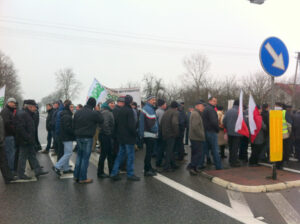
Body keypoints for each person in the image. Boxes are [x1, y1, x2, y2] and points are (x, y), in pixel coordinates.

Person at [15, 100, 49, 180]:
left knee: (32, 155)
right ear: (30, 106)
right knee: (22, 157)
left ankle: (38, 170)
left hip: (29, 140)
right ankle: (21, 174)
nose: (35, 108)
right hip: (25, 141)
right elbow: (20, 128)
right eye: (34, 107)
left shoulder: (27, 114)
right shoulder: (23, 114)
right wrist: (27, 137)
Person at [73, 97, 104, 184]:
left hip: (78, 136)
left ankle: (76, 176)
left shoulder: (78, 112)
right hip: (87, 137)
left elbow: (73, 123)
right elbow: (102, 120)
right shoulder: (93, 113)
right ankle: (83, 178)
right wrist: (97, 110)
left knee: (79, 157)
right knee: (85, 158)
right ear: (94, 105)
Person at [110, 95, 140, 181]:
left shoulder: (120, 110)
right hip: (129, 137)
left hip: (121, 137)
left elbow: (116, 124)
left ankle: (114, 173)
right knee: (130, 156)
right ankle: (130, 174)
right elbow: (131, 126)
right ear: (130, 101)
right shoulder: (129, 111)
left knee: (120, 155)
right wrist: (135, 134)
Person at [53, 100, 75, 176]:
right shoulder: (67, 115)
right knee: (68, 153)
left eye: (73, 107)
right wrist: (74, 132)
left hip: (65, 136)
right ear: (68, 107)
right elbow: (67, 128)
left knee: (66, 153)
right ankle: (57, 166)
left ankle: (66, 169)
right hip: (67, 137)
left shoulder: (66, 114)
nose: (73, 108)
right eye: (71, 107)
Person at [139, 95, 159, 177]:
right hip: (149, 134)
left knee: (149, 153)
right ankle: (147, 170)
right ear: (148, 100)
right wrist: (156, 131)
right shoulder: (148, 109)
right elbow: (151, 124)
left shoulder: (148, 108)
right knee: (149, 153)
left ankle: (149, 167)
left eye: (155, 99)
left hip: (148, 134)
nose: (154, 101)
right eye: (153, 100)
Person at [202, 97, 222, 170]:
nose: (215, 103)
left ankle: (201, 164)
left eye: (216, 101)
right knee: (215, 149)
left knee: (205, 149)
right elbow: (214, 122)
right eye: (214, 101)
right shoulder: (211, 110)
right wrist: (217, 129)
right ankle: (218, 166)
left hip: (206, 131)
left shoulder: (205, 109)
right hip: (211, 131)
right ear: (209, 101)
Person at [97, 99, 115, 178]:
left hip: (105, 135)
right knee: (105, 154)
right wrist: (109, 134)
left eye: (114, 103)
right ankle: (101, 173)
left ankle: (110, 172)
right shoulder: (106, 112)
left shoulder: (107, 111)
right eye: (111, 103)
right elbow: (105, 125)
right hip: (105, 136)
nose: (113, 104)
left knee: (107, 154)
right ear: (107, 104)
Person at [160, 101, 179, 172]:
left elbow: (161, 123)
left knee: (169, 150)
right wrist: (176, 133)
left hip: (164, 133)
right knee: (169, 150)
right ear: (176, 107)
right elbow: (175, 123)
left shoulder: (166, 112)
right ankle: (166, 167)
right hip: (171, 134)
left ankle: (173, 164)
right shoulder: (175, 112)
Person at [187, 100, 205, 175]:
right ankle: (192, 167)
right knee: (198, 153)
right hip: (196, 137)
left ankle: (194, 167)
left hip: (195, 137)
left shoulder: (196, 113)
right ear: (197, 106)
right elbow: (195, 127)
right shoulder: (195, 114)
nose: (203, 107)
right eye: (202, 106)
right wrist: (202, 135)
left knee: (196, 153)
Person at [223, 99, 242, 167]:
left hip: (229, 132)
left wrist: (227, 128)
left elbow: (224, 121)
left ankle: (231, 160)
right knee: (235, 148)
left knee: (231, 147)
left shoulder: (228, 111)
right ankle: (234, 162)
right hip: (237, 133)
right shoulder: (239, 112)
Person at [0, 98, 17, 172]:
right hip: (8, 135)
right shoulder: (6, 111)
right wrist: (14, 131)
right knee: (10, 154)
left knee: (9, 153)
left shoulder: (7, 110)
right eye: (12, 102)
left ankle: (10, 170)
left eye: (14, 103)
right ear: (8, 103)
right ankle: (11, 171)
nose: (14, 104)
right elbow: (7, 124)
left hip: (8, 135)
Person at [0, 114, 15, 184]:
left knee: (4, 161)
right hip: (1, 141)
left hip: (1, 142)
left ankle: (8, 178)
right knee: (3, 161)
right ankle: (8, 177)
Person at [155, 99, 167, 167]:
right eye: (165, 104)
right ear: (162, 105)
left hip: (157, 132)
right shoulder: (161, 112)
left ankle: (158, 160)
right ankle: (158, 162)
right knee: (161, 147)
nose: (166, 105)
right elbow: (161, 123)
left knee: (158, 147)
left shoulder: (156, 111)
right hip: (160, 131)